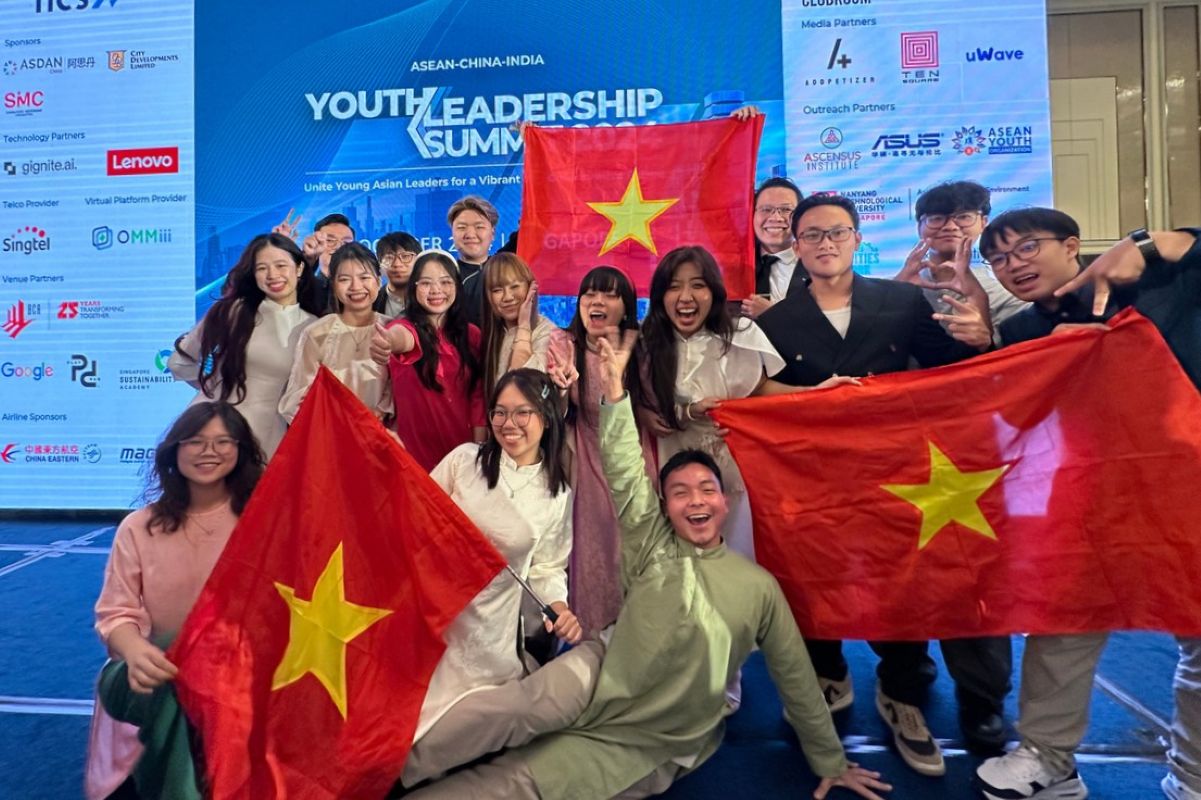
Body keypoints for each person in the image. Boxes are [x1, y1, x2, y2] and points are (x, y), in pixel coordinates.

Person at [405, 329, 888, 800]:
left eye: (706, 490)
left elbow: (795, 674)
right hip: (601, 669)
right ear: (665, 504)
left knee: (517, 784)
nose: (694, 500)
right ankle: (388, 764)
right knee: (511, 708)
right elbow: (623, 467)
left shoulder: (758, 587)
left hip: (656, 729)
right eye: (680, 492)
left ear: (724, 500)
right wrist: (615, 390)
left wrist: (830, 761)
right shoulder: (650, 537)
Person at [756, 193, 994, 777]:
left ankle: (901, 691)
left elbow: (950, 374)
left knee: (900, 579)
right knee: (813, 575)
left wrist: (980, 339)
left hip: (896, 473)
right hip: (810, 476)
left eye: (837, 232)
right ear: (797, 246)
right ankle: (827, 673)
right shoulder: (775, 321)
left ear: (858, 240)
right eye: (813, 235)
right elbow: (758, 396)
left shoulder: (902, 301)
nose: (826, 243)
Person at [972, 208, 1201, 800]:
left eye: (1026, 248)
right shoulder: (1022, 331)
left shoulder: (1155, 279)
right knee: (1062, 621)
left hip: (1185, 488)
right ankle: (1048, 759)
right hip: (1087, 500)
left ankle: (1193, 776)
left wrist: (1150, 245)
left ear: (1071, 245)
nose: (1012, 265)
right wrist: (1034, 362)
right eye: (997, 258)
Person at [404, 369, 581, 783]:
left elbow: (547, 566)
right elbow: (416, 514)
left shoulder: (556, 494)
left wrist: (558, 607)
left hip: (490, 629)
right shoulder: (464, 460)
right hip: (433, 613)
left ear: (547, 417)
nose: (508, 423)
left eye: (523, 412)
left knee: (464, 733)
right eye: (500, 412)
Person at [84, 403, 264, 800]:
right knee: (177, 664)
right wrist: (135, 651)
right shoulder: (139, 527)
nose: (209, 451)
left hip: (242, 674)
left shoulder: (264, 521)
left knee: (203, 687)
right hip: (149, 670)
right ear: (175, 450)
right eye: (195, 441)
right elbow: (115, 613)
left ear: (240, 451)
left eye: (223, 442)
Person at [638, 245, 791, 559]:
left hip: (731, 467)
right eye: (674, 287)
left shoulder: (740, 334)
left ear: (714, 291)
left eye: (697, 285)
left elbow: (762, 391)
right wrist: (644, 413)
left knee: (734, 546)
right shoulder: (648, 343)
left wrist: (818, 390)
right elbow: (632, 401)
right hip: (670, 462)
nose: (685, 297)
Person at [561, 266, 655, 637]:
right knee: (592, 548)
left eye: (610, 294)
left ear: (627, 306)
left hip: (633, 455)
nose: (597, 301)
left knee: (632, 546)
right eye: (589, 293)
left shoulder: (641, 349)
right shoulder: (564, 346)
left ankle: (641, 638)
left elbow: (657, 409)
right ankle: (592, 640)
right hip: (586, 459)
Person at [169, 233, 320, 459]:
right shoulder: (234, 311)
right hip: (216, 433)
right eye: (262, 268)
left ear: (299, 269)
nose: (272, 275)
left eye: (281, 266)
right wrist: (214, 388)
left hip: (272, 440)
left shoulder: (315, 326)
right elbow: (179, 362)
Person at [371, 250, 485, 470]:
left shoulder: (472, 335)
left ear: (456, 286)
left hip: (463, 454)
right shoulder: (403, 327)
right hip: (415, 458)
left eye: (445, 282)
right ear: (414, 288)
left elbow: (478, 397)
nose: (436, 290)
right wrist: (387, 342)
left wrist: (478, 451)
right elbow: (401, 339)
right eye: (426, 283)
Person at [894, 180, 1028, 338]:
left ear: (983, 222)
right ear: (919, 227)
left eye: (964, 217)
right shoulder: (893, 285)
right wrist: (893, 291)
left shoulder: (1004, 292)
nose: (950, 227)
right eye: (936, 218)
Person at [279, 242, 392, 424]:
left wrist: (380, 413)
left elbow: (403, 390)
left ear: (378, 281)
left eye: (364, 277)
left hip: (385, 435)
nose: (356, 286)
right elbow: (297, 397)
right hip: (333, 432)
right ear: (333, 285)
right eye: (344, 279)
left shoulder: (393, 330)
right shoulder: (317, 333)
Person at [480, 252, 559, 393]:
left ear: (530, 287)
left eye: (515, 286)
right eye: (497, 290)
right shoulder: (489, 335)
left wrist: (523, 326)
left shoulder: (549, 334)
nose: (507, 297)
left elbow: (521, 387)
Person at [273, 210, 356, 314]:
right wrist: (278, 248)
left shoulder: (364, 288)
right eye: (330, 240)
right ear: (316, 242)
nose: (338, 246)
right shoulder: (302, 288)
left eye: (346, 242)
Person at [448, 195, 497, 325]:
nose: (470, 234)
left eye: (479, 227)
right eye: (461, 227)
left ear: (493, 233)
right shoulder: (445, 275)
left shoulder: (506, 272)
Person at [374, 231, 421, 319]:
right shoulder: (372, 302)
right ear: (380, 264)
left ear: (419, 260)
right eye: (389, 258)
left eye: (405, 256)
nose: (397, 264)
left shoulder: (431, 297)